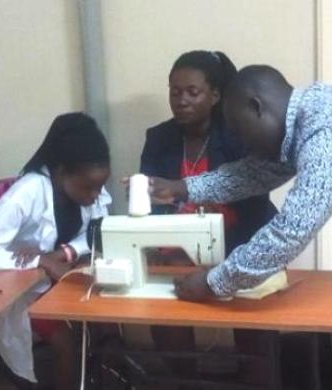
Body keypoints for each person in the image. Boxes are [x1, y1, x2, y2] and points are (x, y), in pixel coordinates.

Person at [151, 65, 332, 390]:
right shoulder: (308, 114)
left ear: (256, 107)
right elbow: (252, 174)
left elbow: (289, 233)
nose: (241, 141)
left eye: (238, 129)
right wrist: (183, 189)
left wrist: (212, 281)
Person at [139, 50, 277, 382]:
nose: (181, 100)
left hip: (239, 245)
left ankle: (254, 380)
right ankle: (184, 380)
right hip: (178, 253)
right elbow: (153, 206)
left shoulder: (237, 134)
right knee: (166, 305)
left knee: (253, 329)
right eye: (175, 91)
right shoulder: (158, 138)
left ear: (215, 95)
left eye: (192, 92)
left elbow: (254, 198)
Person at [0, 112, 111, 389]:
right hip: (21, 288)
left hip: (59, 278)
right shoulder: (26, 193)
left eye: (100, 186)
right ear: (61, 171)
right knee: (68, 344)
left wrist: (63, 253)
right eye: (89, 187)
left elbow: (98, 230)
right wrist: (39, 261)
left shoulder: (86, 188)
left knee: (106, 318)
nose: (95, 195)